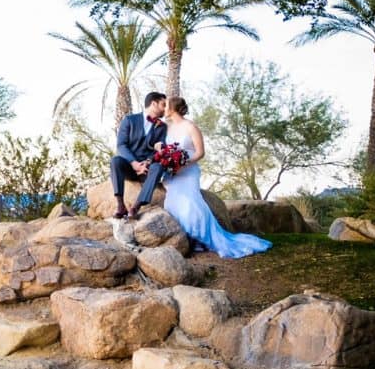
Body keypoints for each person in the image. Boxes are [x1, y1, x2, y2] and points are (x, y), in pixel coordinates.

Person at [158, 97, 271, 259]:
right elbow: (165, 149)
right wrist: (168, 160)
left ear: (173, 108)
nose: (164, 109)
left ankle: (201, 238)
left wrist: (185, 162)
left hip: (188, 171)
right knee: (172, 203)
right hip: (174, 173)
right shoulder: (167, 128)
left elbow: (200, 152)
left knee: (191, 203)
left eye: (166, 105)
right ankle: (188, 239)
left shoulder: (191, 127)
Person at [110, 91, 168, 219]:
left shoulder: (162, 127)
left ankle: (136, 206)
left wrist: (148, 161)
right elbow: (121, 145)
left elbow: (159, 150)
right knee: (115, 160)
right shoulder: (129, 120)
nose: (166, 108)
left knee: (158, 167)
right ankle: (120, 205)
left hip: (147, 170)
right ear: (154, 104)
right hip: (129, 167)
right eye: (163, 104)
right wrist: (134, 163)